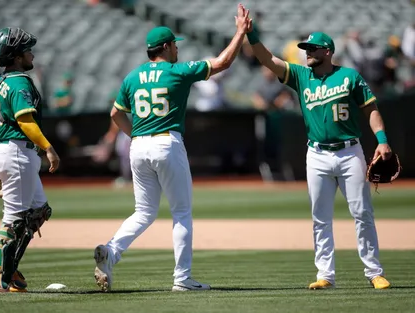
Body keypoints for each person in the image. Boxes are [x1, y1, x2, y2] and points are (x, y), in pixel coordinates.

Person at [93, 4, 251, 292]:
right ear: (165, 47)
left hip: (138, 146)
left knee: (143, 212)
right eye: (174, 45)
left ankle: (111, 252)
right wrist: (240, 32)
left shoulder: (132, 76)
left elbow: (116, 115)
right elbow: (223, 62)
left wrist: (136, 136)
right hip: (167, 142)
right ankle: (182, 279)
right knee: (181, 212)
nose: (177, 49)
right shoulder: (178, 71)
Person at [246, 28, 392, 289]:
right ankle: (325, 275)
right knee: (320, 217)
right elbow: (268, 59)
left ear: (327, 51)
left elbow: (371, 109)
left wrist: (381, 140)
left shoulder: (349, 77)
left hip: (349, 153)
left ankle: (374, 272)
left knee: (362, 214)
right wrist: (251, 35)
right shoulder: (302, 76)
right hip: (317, 154)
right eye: (306, 49)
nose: (307, 53)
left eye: (312, 49)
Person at [0, 27, 60, 292]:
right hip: (17, 151)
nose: (31, 53)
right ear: (16, 56)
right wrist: (48, 147)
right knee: (14, 217)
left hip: (8, 150)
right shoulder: (18, 81)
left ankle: (10, 267)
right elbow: (25, 119)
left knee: (39, 210)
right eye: (27, 49)